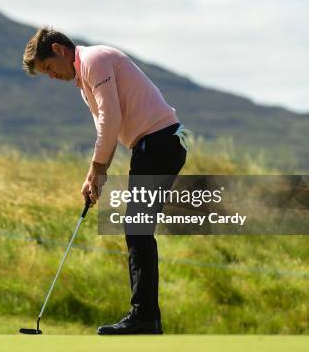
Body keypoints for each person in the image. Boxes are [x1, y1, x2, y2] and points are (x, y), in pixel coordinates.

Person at [22, 27, 188, 335]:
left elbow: (111, 117)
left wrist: (99, 169)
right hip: (154, 144)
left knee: (137, 228)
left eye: (48, 68)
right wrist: (94, 174)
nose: (51, 77)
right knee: (137, 229)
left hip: (159, 142)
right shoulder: (84, 78)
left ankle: (144, 318)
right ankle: (147, 317)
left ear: (58, 49)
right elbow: (106, 126)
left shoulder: (95, 60)